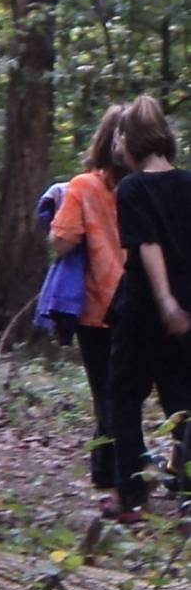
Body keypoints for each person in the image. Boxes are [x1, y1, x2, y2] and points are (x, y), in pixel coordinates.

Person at [102, 94, 191, 524]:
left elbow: (148, 243)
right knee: (181, 399)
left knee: (123, 397)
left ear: (132, 139)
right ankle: (188, 493)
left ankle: (132, 495)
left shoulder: (133, 187)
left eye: (120, 136)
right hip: (185, 311)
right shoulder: (188, 184)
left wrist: (165, 301)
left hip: (144, 310)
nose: (116, 144)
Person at [46, 105, 126, 491]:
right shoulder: (150, 184)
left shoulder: (83, 187)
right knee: (127, 393)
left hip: (97, 307)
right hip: (144, 305)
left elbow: (62, 242)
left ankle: (113, 476)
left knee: (105, 393)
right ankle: (109, 472)